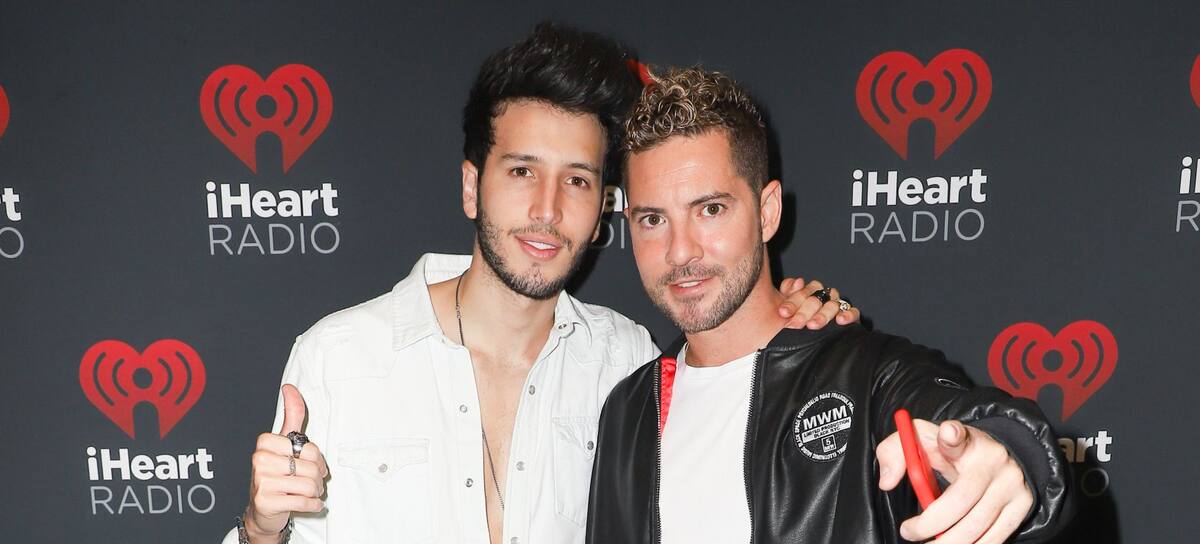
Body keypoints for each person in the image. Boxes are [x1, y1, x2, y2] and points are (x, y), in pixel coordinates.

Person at [223, 24, 859, 544]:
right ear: (472, 186)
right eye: (522, 171)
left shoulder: (627, 364)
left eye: (577, 179)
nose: (548, 210)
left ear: (603, 206)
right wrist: (260, 530)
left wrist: (792, 320)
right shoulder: (339, 357)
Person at [586, 66, 1073, 544]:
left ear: (767, 212)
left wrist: (1010, 454)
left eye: (710, 210)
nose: (680, 251)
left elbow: (962, 420)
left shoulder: (869, 374)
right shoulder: (628, 410)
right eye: (653, 220)